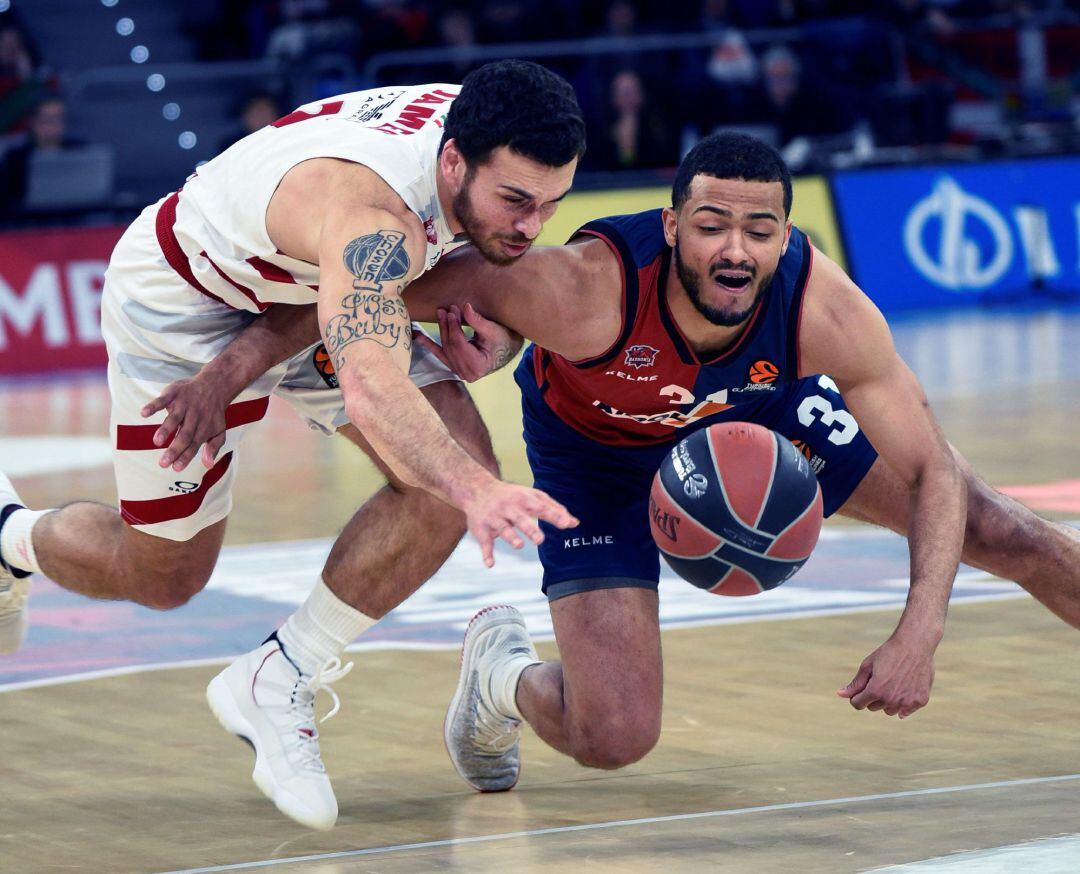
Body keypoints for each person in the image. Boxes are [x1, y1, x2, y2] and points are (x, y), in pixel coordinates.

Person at [114, 133, 1080, 793]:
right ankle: (500, 675)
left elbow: (936, 465)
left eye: (760, 230)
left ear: (788, 236)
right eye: (712, 226)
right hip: (596, 452)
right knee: (615, 737)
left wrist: (921, 634)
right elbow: (368, 290)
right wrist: (231, 366)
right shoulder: (579, 292)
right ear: (671, 227)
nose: (736, 250)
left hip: (758, 408)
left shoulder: (822, 310)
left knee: (1007, 531)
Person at [0, 59, 585, 830]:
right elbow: (370, 378)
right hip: (186, 302)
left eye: (551, 204)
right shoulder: (377, 218)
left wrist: (496, 344)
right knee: (164, 573)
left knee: (446, 473)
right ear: (452, 162)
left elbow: (358, 297)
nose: (531, 225)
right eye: (516, 202)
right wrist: (476, 492)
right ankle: (9, 539)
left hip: (305, 294)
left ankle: (279, 675)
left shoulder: (475, 127)